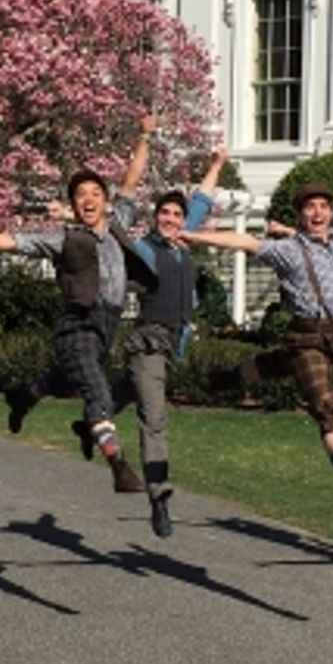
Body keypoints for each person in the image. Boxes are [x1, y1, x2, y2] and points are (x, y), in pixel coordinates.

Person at [0, 119, 160, 498]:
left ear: (105, 201)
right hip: (76, 326)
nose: (88, 199)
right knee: (98, 393)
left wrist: (144, 135)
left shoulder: (117, 225)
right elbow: (14, 241)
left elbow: (131, 181)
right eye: (81, 195)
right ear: (74, 205)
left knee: (66, 382)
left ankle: (24, 395)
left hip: (107, 327)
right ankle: (119, 466)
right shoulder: (64, 239)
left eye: (95, 193)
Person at [186, 116, 333, 515]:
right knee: (328, 407)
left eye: (323, 207)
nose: (318, 213)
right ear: (300, 215)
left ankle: (227, 377)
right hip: (308, 337)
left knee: (279, 364)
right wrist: (193, 235)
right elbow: (243, 241)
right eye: (310, 208)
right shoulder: (287, 250)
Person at [102, 140, 228, 537]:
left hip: (174, 344)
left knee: (132, 390)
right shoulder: (146, 249)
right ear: (155, 218)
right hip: (149, 341)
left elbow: (201, 202)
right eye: (165, 213)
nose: (172, 219)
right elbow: (114, 230)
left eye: (177, 214)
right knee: (154, 417)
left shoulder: (184, 242)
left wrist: (217, 164)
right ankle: (158, 494)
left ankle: (93, 418)